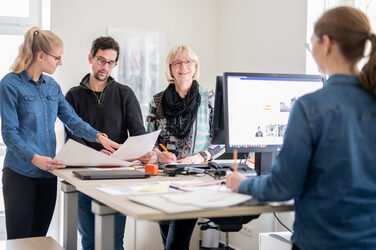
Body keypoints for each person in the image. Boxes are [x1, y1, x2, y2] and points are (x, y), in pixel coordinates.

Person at [226, 6, 376, 250]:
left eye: (311, 44)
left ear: (326, 43)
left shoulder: (310, 108)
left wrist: (241, 183)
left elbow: (282, 186)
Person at [0, 27, 119, 240]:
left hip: (47, 176)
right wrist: (35, 159)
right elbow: (9, 134)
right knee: (19, 242)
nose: (60, 62)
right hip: (19, 176)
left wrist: (99, 136)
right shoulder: (10, 84)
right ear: (41, 56)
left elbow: (72, 120)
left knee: (38, 241)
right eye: (57, 58)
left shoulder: (52, 86)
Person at [65, 36, 156, 250]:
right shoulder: (73, 96)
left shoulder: (125, 94)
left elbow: (138, 134)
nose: (105, 67)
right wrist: (96, 156)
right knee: (89, 241)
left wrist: (144, 151)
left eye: (111, 62)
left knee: (114, 242)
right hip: (84, 178)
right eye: (101, 60)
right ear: (90, 58)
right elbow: (72, 139)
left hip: (117, 177)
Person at [145, 45, 223, 250]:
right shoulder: (157, 100)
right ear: (170, 69)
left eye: (188, 62)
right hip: (164, 179)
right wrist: (159, 154)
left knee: (175, 244)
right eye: (177, 62)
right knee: (168, 241)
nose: (183, 67)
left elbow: (222, 141)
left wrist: (201, 156)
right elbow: (148, 139)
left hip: (195, 179)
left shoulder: (209, 97)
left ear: (195, 66)